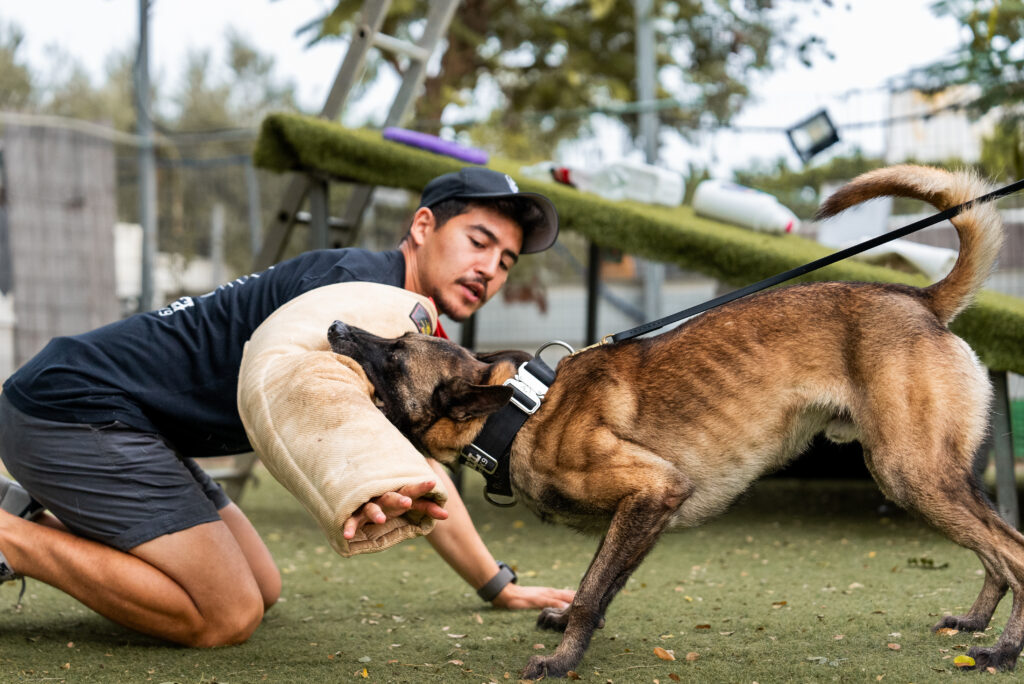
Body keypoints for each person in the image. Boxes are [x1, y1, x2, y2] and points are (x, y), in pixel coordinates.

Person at [0, 167, 574, 647]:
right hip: (74, 408)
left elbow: (411, 465)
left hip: (139, 425)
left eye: (506, 261)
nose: (489, 269)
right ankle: (11, 539)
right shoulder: (362, 297)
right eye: (478, 242)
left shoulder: (400, 314)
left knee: (262, 586)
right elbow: (404, 464)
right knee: (226, 614)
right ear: (423, 226)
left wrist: (496, 585)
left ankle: (33, 515)